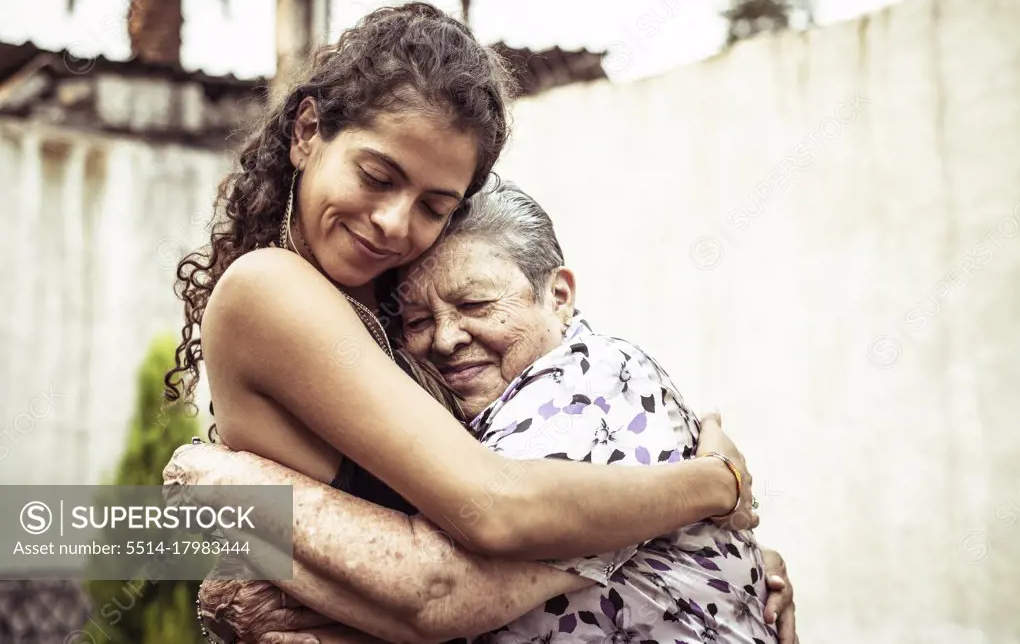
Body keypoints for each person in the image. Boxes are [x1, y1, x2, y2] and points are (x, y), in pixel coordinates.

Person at [166, 181, 798, 643]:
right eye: (416, 320)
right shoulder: (465, 430)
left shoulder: (590, 382)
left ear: (559, 294)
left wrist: (217, 479)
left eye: (474, 304)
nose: (444, 339)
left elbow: (438, 592)